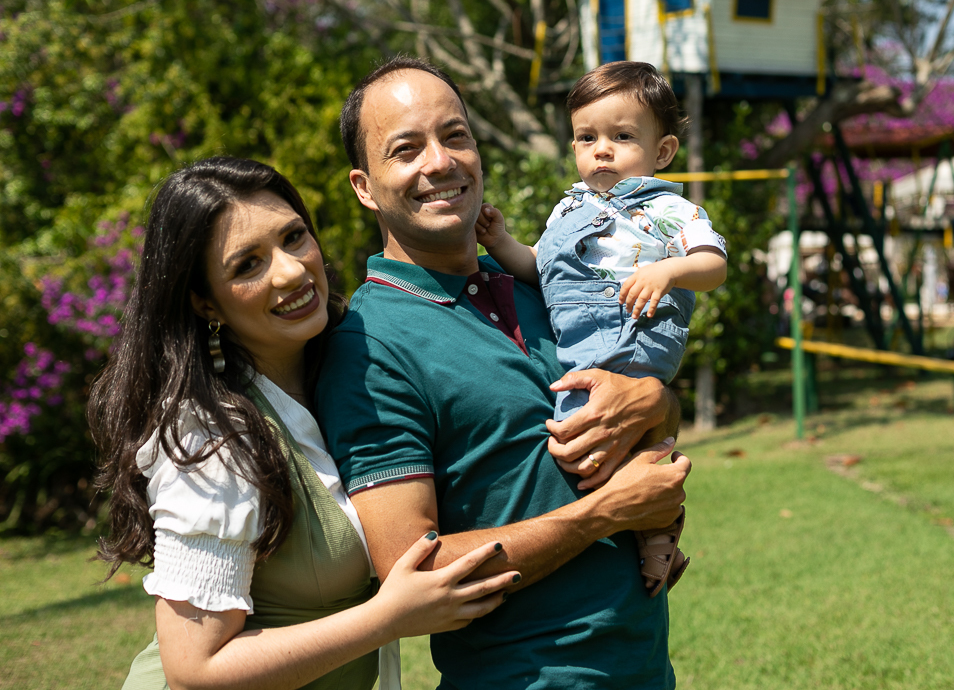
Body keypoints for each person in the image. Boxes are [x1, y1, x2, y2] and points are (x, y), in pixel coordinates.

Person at [318, 56, 692, 690]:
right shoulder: (369, 342)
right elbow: (414, 571)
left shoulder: (541, 286)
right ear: (364, 186)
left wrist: (656, 401)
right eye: (406, 149)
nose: (439, 161)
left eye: (454, 135)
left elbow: (639, 399)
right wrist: (604, 514)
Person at [89, 157, 522, 690]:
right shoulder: (212, 437)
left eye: (293, 237)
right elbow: (194, 669)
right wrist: (388, 617)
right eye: (247, 265)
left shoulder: (351, 374)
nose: (291, 270)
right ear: (205, 303)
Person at [474, 61, 727, 595]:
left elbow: (713, 265)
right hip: (581, 348)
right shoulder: (568, 209)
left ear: (662, 153)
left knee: (586, 438)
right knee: (598, 443)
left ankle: (656, 531)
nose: (602, 150)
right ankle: (651, 532)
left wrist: (668, 269)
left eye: (622, 136)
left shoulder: (668, 209)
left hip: (634, 334)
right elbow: (539, 268)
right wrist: (501, 245)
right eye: (586, 137)